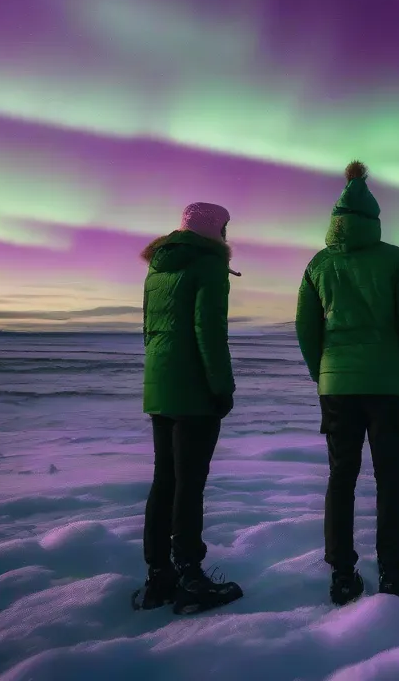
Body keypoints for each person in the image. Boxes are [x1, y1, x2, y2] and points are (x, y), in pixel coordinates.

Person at [296, 161, 399, 606]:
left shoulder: (318, 263)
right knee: (392, 479)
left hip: (337, 386)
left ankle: (342, 575)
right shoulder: (396, 260)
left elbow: (307, 329)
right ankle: (392, 572)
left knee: (341, 478)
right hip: (389, 386)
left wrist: (323, 375)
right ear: (373, 220)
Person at [133, 202, 244, 615]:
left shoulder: (157, 268)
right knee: (190, 483)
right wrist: (222, 388)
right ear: (217, 229)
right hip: (194, 389)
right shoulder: (209, 265)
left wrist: (159, 377)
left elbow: (149, 329)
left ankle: (158, 576)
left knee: (165, 480)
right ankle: (191, 576)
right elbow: (209, 332)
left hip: (159, 385)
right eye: (226, 229)